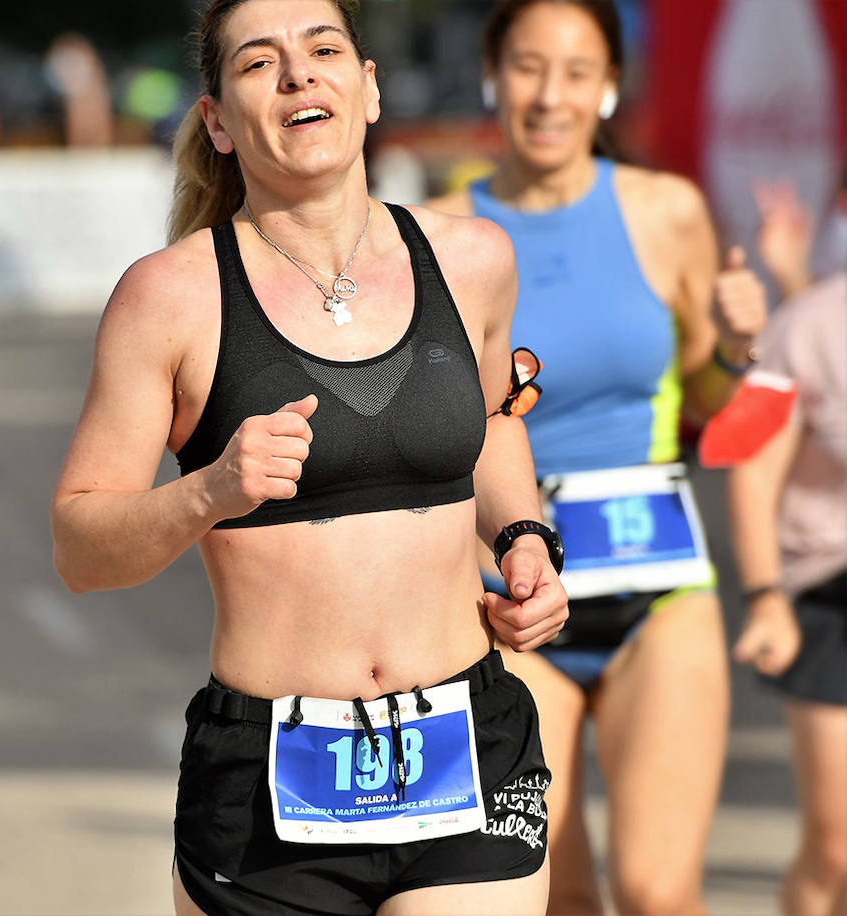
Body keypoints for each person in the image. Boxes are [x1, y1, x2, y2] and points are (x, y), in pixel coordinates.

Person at [51, 2, 569, 912]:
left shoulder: (474, 259)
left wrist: (525, 537)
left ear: (368, 88)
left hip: (464, 741)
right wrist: (208, 491)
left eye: (324, 49)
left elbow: (491, 425)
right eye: (259, 63)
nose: (298, 74)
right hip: (266, 782)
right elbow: (81, 550)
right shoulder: (168, 299)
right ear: (216, 120)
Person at [428, 1, 767, 912]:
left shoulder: (667, 211)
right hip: (516, 605)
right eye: (530, 67)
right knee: (558, 900)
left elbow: (716, 410)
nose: (551, 95)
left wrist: (737, 350)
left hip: (661, 594)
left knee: (659, 893)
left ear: (610, 87)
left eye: (578, 72)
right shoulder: (436, 236)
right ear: (495, 76)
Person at [730, 177, 846, 916]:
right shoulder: (809, 324)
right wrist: (767, 597)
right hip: (830, 594)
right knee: (838, 847)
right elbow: (750, 466)